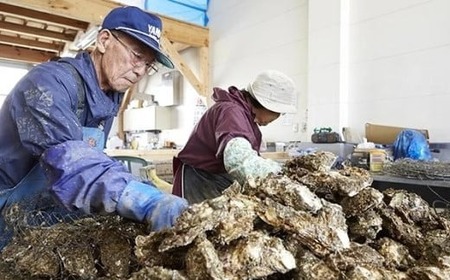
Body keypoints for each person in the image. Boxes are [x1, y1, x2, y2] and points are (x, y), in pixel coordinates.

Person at [0, 6, 188, 249]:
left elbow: (94, 159)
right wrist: (142, 200)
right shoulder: (47, 83)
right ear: (104, 40)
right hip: (6, 216)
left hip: (45, 219)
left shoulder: (110, 97)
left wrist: (145, 188)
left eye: (148, 64)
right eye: (137, 55)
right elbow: (70, 161)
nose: (141, 70)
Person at [172, 70, 298, 204]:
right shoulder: (231, 112)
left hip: (215, 177)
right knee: (197, 222)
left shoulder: (243, 114)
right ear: (267, 106)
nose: (277, 118)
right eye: (279, 113)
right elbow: (238, 159)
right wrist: (283, 173)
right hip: (199, 180)